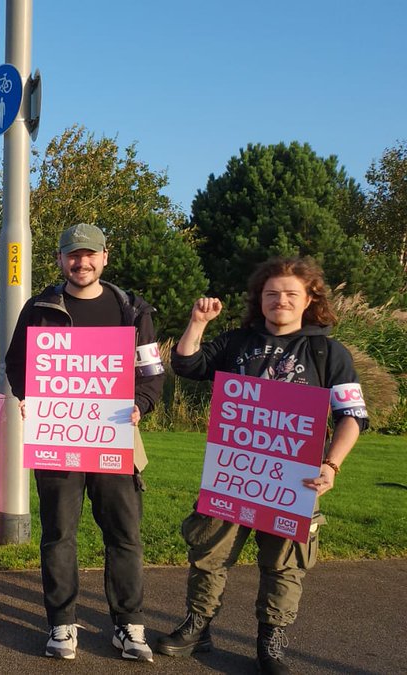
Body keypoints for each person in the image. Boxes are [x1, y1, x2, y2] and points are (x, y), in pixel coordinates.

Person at [153, 256, 366, 675]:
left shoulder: (327, 351)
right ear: (259, 299)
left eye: (290, 294)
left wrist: (332, 466)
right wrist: (197, 322)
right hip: (234, 474)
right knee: (209, 554)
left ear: (309, 299)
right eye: (272, 294)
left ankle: (272, 643)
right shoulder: (237, 342)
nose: (280, 301)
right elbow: (188, 365)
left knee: (284, 565)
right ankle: (198, 627)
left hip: (296, 479)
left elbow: (352, 417)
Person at [4, 222, 164, 662]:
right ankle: (61, 625)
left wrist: (140, 407)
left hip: (116, 435)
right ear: (60, 260)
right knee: (59, 534)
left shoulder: (131, 309)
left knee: (124, 535)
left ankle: (128, 626)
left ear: (105, 257)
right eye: (73, 255)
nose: (82, 262)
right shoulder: (40, 306)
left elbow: (152, 374)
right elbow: (15, 363)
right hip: (59, 436)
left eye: (90, 254)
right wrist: (29, 395)